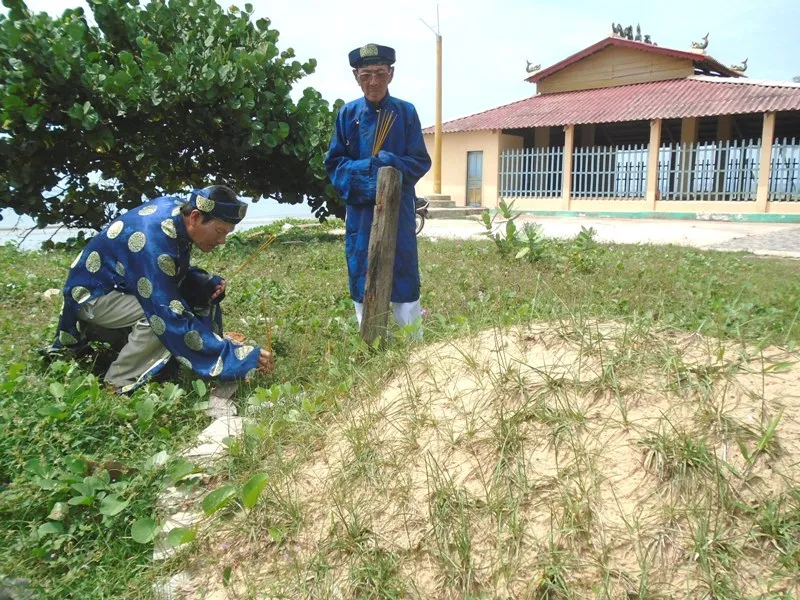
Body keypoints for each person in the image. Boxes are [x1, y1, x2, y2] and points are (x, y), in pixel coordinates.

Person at [50, 185, 274, 393]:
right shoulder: (152, 238)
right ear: (195, 217)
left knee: (194, 293)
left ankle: (172, 358)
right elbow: (165, 312)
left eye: (227, 233)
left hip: (121, 286)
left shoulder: (177, 213)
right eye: (218, 231)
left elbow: (166, 269)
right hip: (94, 295)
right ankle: (117, 383)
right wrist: (236, 357)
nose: (222, 240)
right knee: (157, 321)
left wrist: (201, 282)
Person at [325, 43, 432, 334]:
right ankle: (370, 338)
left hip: (398, 208)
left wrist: (391, 164)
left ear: (391, 74)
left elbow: (420, 161)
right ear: (355, 76)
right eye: (366, 75)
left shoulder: (405, 113)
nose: (373, 82)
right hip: (360, 210)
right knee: (361, 268)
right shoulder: (347, 115)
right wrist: (370, 171)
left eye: (380, 74)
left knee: (403, 270)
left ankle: (412, 342)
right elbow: (334, 164)